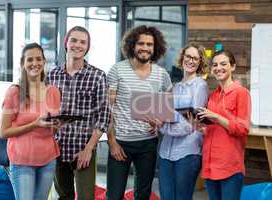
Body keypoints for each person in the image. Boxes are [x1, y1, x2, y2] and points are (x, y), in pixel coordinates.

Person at [106, 25, 172, 200]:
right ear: (132, 46)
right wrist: (112, 142)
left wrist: (160, 123)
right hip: (121, 143)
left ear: (155, 47)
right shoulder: (117, 70)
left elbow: (167, 108)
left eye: (149, 44)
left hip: (148, 145)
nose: (145, 48)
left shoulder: (161, 75)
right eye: (141, 43)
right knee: (114, 195)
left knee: (143, 195)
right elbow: (107, 109)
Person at [47, 26, 110, 200]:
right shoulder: (52, 75)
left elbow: (103, 116)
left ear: (87, 47)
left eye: (83, 42)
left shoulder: (97, 76)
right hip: (57, 148)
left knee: (85, 197)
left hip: (84, 148)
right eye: (74, 40)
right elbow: (45, 112)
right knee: (63, 196)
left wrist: (89, 149)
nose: (78, 45)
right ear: (66, 42)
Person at [0, 42, 61, 200]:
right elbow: (3, 132)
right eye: (30, 59)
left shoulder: (53, 91)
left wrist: (57, 125)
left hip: (48, 159)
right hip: (22, 161)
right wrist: (34, 124)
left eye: (39, 59)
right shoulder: (15, 92)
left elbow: (52, 130)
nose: (35, 63)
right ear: (23, 63)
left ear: (44, 61)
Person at [198, 50, 251, 200]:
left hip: (230, 167)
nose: (218, 68)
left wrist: (216, 116)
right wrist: (202, 128)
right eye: (214, 65)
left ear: (232, 67)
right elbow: (214, 128)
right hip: (210, 165)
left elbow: (242, 129)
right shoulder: (213, 95)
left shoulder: (241, 93)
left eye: (223, 64)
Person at [157, 44, 209, 200]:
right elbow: (165, 115)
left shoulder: (200, 86)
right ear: (182, 58)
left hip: (188, 153)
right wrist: (160, 122)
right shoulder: (175, 87)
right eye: (188, 56)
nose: (191, 61)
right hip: (166, 152)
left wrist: (164, 128)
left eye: (195, 58)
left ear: (200, 62)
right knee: (166, 197)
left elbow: (190, 124)